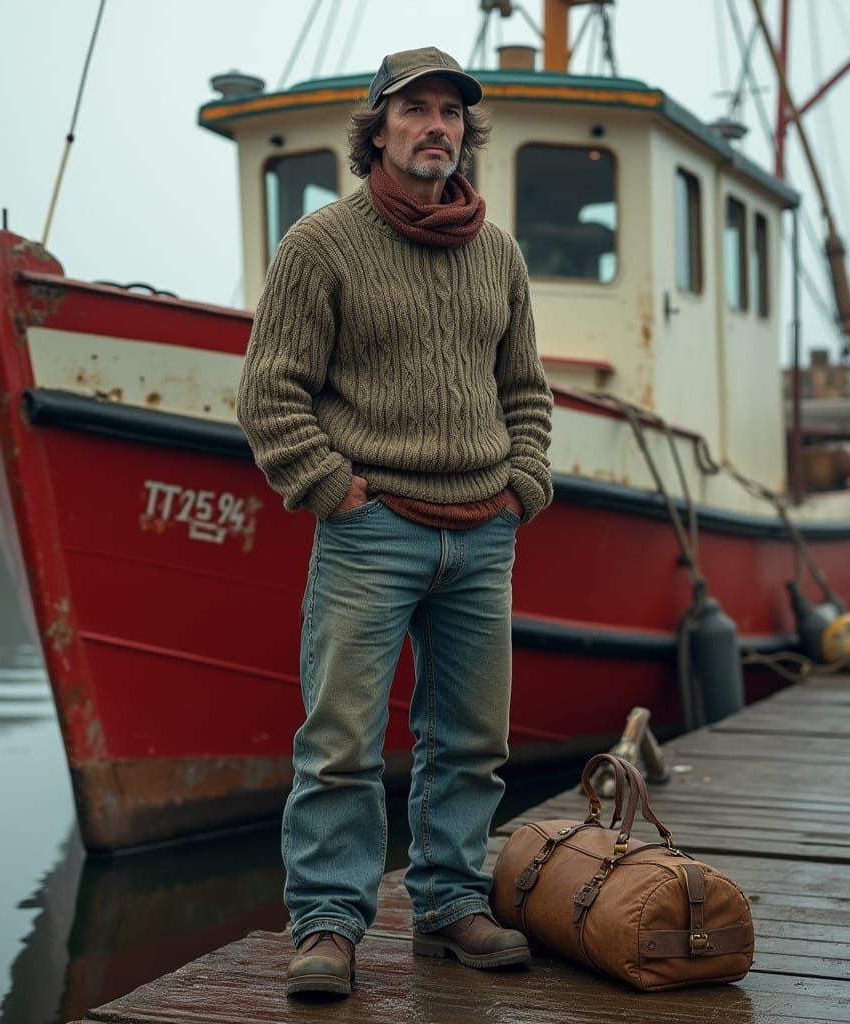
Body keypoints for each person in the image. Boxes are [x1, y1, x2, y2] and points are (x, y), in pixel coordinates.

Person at [236, 45, 553, 998]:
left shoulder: (497, 252)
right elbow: (270, 394)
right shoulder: (320, 246)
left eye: (451, 113)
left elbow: (525, 392)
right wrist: (335, 490)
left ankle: (450, 904)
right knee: (341, 740)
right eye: (415, 109)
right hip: (372, 531)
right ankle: (328, 924)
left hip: (483, 533)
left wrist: (522, 488)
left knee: (471, 740)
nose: (436, 126)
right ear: (376, 128)